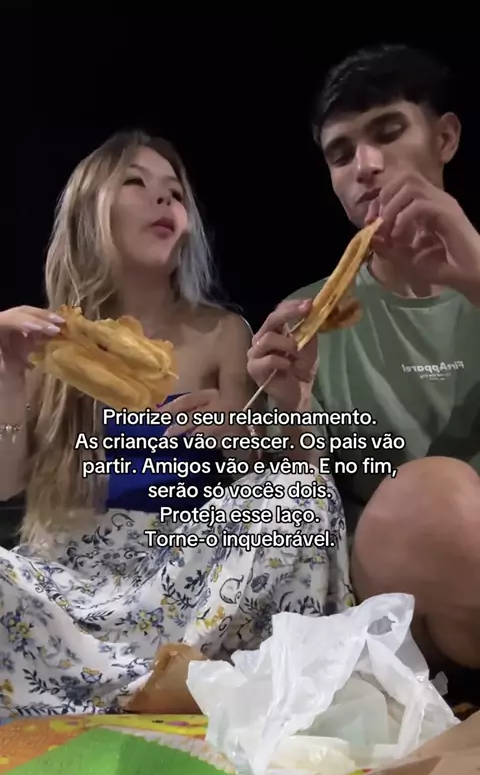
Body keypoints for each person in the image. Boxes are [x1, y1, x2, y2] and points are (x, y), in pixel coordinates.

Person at [0, 130, 349, 717]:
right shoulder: (47, 341)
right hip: (73, 580)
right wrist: (8, 371)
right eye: (136, 183)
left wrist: (247, 430)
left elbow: (284, 477)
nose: (163, 199)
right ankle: (170, 686)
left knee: (299, 499)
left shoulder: (222, 333)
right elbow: (5, 482)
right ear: (89, 211)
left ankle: (137, 686)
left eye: (175, 192)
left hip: (188, 576)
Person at [247, 45, 480, 673]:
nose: (366, 166)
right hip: (393, 597)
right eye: (341, 153)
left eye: (388, 132)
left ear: (446, 138)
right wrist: (291, 410)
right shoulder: (308, 318)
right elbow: (305, 520)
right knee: (435, 495)